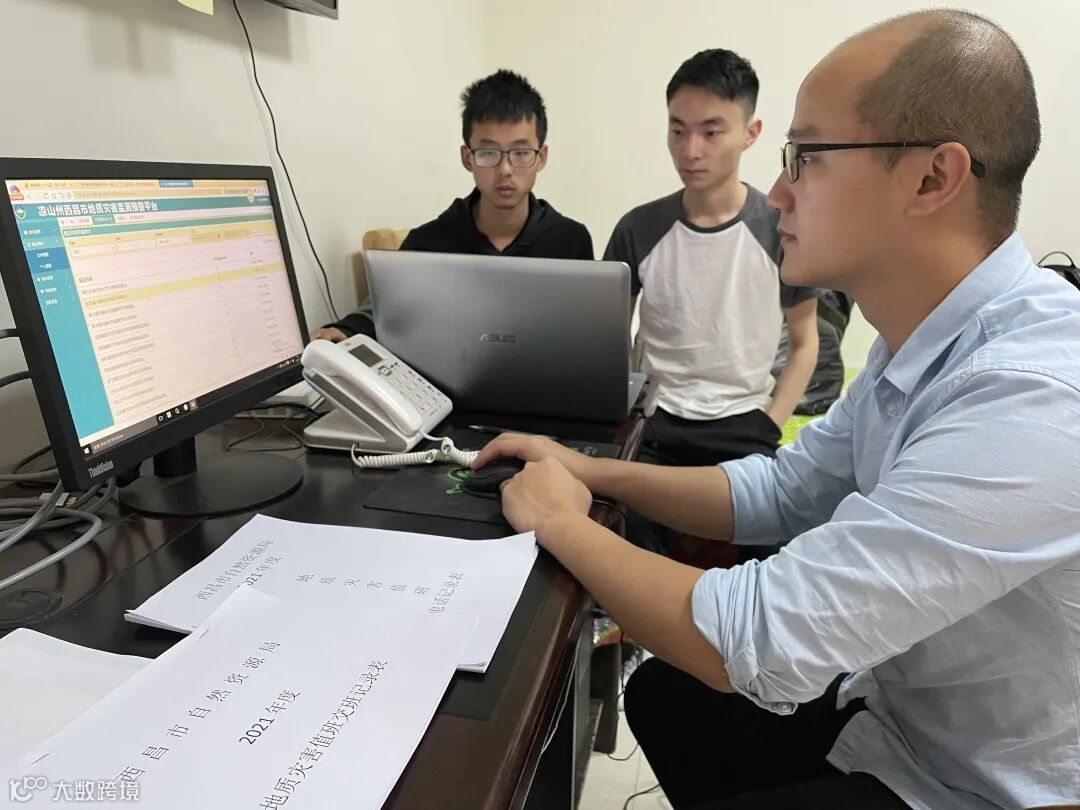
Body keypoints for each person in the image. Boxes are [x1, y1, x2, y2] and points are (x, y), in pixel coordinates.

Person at [474, 9, 1080, 808]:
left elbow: (757, 638)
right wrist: (591, 471)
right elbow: (786, 488)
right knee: (664, 697)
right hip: (894, 714)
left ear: (932, 179)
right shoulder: (915, 344)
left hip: (979, 785)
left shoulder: (1034, 398)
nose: (782, 191)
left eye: (807, 157)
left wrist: (561, 520)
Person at [604, 49, 819, 473]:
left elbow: (804, 342)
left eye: (711, 132)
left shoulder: (780, 228)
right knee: (606, 504)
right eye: (677, 130)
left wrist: (771, 423)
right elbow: (609, 336)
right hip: (653, 417)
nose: (690, 150)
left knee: (763, 514)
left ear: (751, 133)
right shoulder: (638, 228)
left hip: (745, 422)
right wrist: (628, 403)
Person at [311, 69, 593, 342]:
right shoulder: (428, 244)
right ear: (467, 158)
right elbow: (384, 307)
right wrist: (346, 330)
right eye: (488, 153)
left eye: (521, 152)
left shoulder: (570, 242)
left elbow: (586, 335)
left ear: (541, 158)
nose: (505, 169)